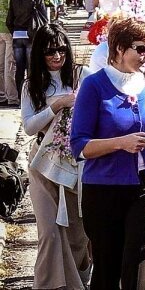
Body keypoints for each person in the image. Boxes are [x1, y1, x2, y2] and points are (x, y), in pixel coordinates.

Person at [70, 18, 145, 290]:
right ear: (118, 48)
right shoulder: (94, 86)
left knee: (139, 271)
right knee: (106, 270)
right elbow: (79, 146)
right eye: (140, 49)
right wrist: (119, 143)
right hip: (104, 190)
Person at [22, 23, 91, 289]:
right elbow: (29, 126)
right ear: (40, 53)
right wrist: (56, 106)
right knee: (49, 231)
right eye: (50, 51)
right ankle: (51, 285)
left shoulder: (81, 75)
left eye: (62, 50)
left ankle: (79, 275)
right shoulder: (32, 84)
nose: (57, 56)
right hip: (42, 159)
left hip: (77, 160)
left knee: (78, 231)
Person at [6, 0, 47, 96]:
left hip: (17, 35)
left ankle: (20, 96)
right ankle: (31, 95)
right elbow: (44, 18)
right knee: (32, 67)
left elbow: (9, 20)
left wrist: (15, 31)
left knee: (19, 68)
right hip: (32, 35)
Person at [0, 0, 20, 107]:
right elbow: (13, 9)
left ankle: (1, 94)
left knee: (0, 64)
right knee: (10, 64)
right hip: (8, 28)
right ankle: (12, 97)